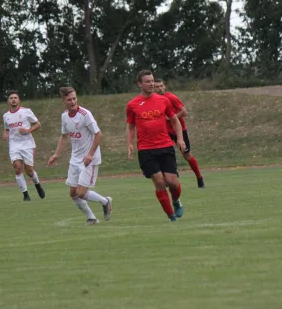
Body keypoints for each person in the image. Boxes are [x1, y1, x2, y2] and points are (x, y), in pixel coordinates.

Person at [126, 70, 186, 221]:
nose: (151, 84)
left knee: (172, 181)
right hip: (146, 150)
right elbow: (131, 126)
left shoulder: (163, 100)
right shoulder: (132, 105)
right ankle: (171, 217)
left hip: (165, 146)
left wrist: (180, 139)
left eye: (152, 81)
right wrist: (129, 144)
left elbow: (174, 120)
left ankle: (176, 201)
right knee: (159, 182)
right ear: (139, 84)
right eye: (147, 81)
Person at [48, 87, 112, 225]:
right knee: (73, 194)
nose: (73, 102)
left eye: (74, 98)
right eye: (69, 100)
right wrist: (56, 154)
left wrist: (90, 154)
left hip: (89, 159)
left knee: (81, 193)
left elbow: (98, 134)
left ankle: (105, 202)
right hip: (75, 158)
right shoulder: (64, 116)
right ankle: (92, 218)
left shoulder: (85, 114)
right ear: (63, 101)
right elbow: (64, 136)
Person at [153, 78, 205, 188]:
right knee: (163, 153)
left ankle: (199, 177)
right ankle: (171, 174)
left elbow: (184, 112)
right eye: (156, 87)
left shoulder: (171, 97)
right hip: (164, 131)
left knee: (186, 155)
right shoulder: (154, 100)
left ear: (165, 86)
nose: (159, 88)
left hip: (179, 130)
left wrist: (170, 118)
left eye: (161, 86)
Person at [2, 90, 46, 201]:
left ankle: (37, 185)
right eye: (11, 98)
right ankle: (26, 195)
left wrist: (28, 130)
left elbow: (38, 124)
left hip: (27, 144)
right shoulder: (6, 116)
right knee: (17, 168)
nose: (13, 99)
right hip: (14, 145)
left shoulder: (26, 111)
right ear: (8, 101)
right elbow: (7, 129)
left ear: (19, 100)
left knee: (29, 171)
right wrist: (5, 134)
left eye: (15, 97)